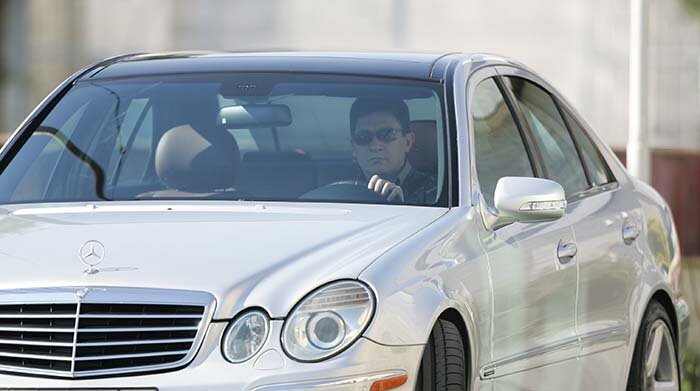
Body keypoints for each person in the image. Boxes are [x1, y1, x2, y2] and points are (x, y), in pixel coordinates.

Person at [349, 96, 437, 204]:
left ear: (407, 142)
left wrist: (402, 207)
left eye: (387, 134)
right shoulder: (339, 193)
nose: (375, 146)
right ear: (353, 146)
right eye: (363, 136)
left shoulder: (439, 193)